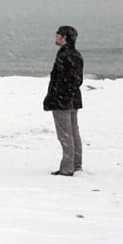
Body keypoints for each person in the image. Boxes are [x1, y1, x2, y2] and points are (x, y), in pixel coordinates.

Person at [43, 25, 84, 176]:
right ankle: (76, 165)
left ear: (64, 37)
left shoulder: (64, 55)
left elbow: (61, 80)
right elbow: (77, 80)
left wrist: (56, 97)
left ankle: (67, 168)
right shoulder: (75, 54)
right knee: (73, 133)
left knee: (65, 135)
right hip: (72, 99)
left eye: (57, 35)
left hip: (63, 101)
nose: (56, 37)